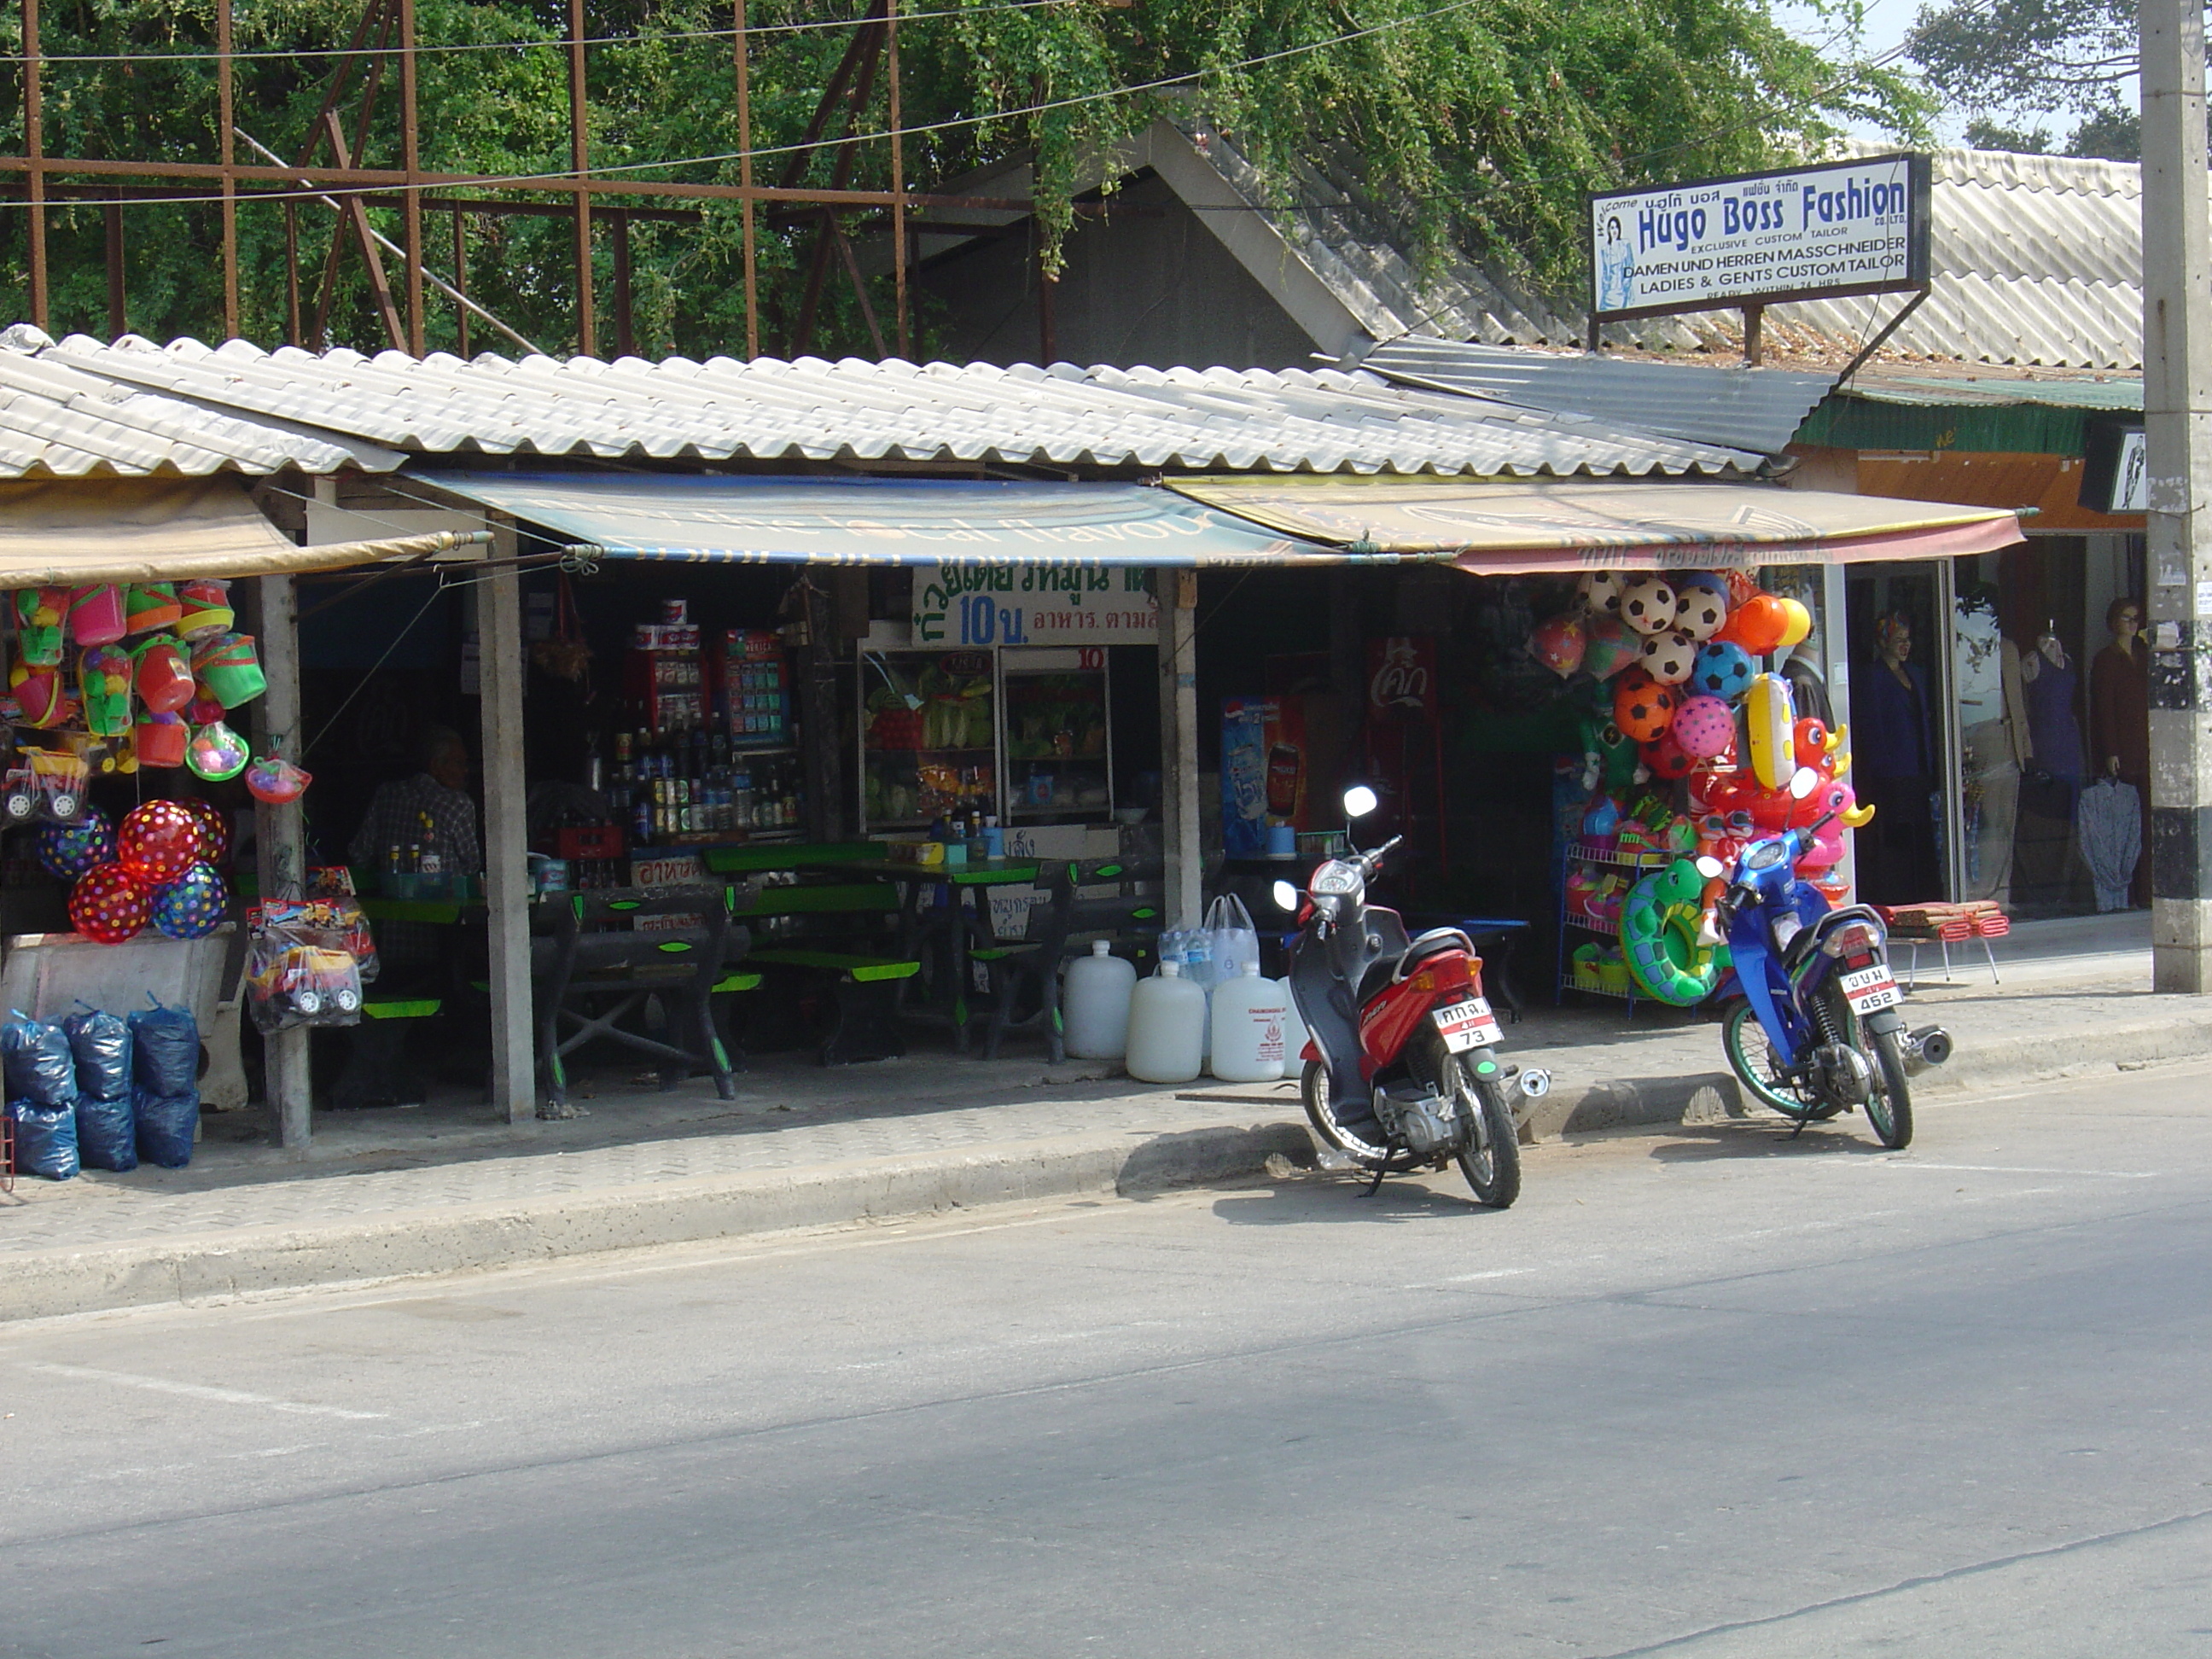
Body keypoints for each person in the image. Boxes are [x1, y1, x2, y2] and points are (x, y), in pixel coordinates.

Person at [1853, 611, 1940, 903]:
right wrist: (1879, 769)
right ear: (1883, 641)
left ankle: (1923, 892)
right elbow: (1872, 725)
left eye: (1908, 639)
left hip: (1918, 767)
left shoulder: (1917, 674)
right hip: (1890, 772)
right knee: (1896, 838)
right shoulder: (1872, 678)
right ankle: (1898, 895)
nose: (1906, 645)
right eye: (1899, 639)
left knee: (1920, 834)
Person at [2089, 596, 2150, 905]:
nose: (2131, 624)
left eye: (2136, 619)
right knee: (2126, 820)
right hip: (2123, 747)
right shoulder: (2106, 659)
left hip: (2148, 744)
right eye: (2126, 618)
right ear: (2114, 622)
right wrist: (2110, 750)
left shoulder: (2145, 654)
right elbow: (2104, 708)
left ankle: (2148, 889)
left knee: (2150, 820)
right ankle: (2126, 891)